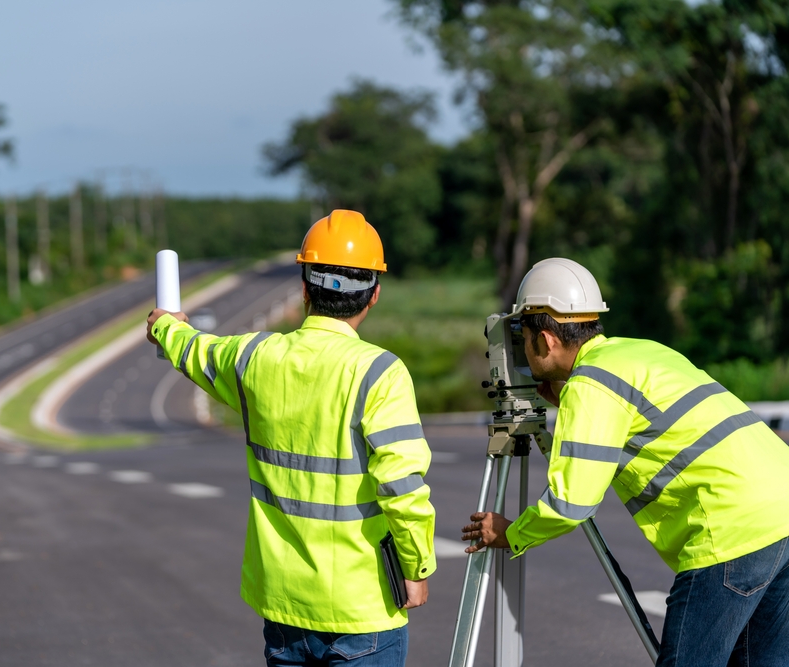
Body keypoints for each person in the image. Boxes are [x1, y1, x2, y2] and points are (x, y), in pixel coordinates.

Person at [461, 257, 789, 667]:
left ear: (545, 340)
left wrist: (512, 533)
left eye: (521, 336)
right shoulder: (637, 352)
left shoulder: (591, 387)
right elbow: (648, 417)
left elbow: (571, 504)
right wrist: (571, 398)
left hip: (730, 531)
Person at [147, 209, 436, 666]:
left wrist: (165, 326)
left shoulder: (254, 357)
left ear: (303, 288)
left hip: (283, 606)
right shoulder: (380, 373)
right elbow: (402, 487)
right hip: (361, 611)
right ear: (374, 294)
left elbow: (195, 350)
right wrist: (416, 567)